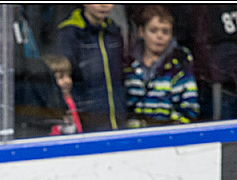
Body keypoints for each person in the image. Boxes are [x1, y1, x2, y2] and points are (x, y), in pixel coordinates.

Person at [54, 4, 126, 132]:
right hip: (85, 118)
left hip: (118, 116)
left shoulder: (113, 31)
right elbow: (64, 76)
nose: (104, 5)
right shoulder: (70, 33)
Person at [125, 5, 199, 127]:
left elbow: (190, 110)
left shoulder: (180, 66)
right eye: (153, 30)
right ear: (141, 32)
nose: (160, 36)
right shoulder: (129, 66)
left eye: (165, 31)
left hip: (170, 134)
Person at [41, 53, 82, 135]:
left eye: (69, 75)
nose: (67, 81)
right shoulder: (52, 105)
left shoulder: (71, 99)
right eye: (60, 77)